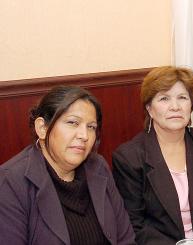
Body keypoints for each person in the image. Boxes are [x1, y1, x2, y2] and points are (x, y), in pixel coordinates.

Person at [112, 66, 193, 245]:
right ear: (149, 108)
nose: (175, 107)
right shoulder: (129, 157)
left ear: (191, 105)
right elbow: (135, 225)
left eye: (182, 98)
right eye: (164, 98)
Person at [0, 86, 135, 245]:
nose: (84, 136)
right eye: (72, 122)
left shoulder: (98, 167)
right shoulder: (10, 182)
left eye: (91, 127)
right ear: (42, 128)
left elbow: (126, 239)